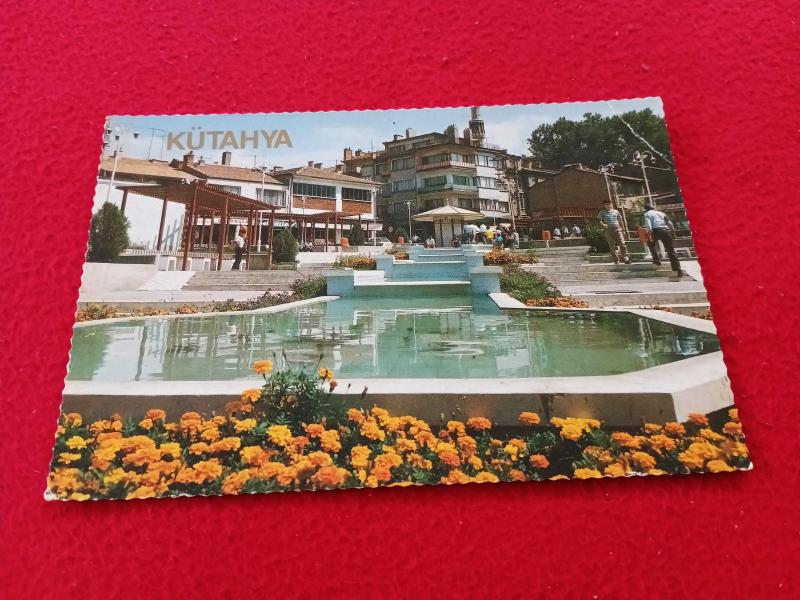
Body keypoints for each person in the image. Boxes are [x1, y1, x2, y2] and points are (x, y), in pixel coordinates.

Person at [642, 203, 683, 275]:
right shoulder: (661, 213)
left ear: (646, 209)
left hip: (655, 231)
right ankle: (678, 270)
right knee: (671, 251)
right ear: (653, 207)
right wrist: (673, 233)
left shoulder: (647, 214)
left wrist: (649, 235)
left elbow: (649, 226)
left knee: (650, 243)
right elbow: (669, 223)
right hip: (665, 231)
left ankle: (656, 259)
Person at [597, 200, 631, 264]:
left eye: (609, 204)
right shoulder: (602, 212)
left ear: (611, 204)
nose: (608, 205)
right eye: (606, 204)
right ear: (604, 205)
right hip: (608, 229)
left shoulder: (616, 211)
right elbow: (599, 221)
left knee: (622, 243)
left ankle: (625, 258)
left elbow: (620, 220)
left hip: (617, 229)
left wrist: (623, 229)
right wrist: (603, 224)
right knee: (611, 245)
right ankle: (616, 259)